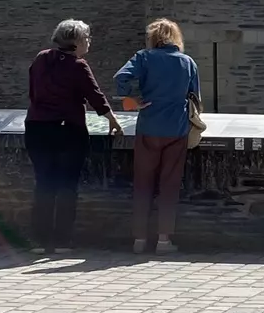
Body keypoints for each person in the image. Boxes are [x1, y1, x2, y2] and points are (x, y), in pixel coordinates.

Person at [25, 19, 123, 251]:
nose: (89, 42)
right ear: (77, 41)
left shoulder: (41, 59)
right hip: (67, 129)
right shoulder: (78, 65)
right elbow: (95, 94)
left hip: (37, 127)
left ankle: (39, 240)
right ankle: (61, 241)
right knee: (67, 185)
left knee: (44, 183)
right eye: (87, 38)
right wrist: (112, 120)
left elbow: (32, 91)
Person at [115, 19, 200, 254]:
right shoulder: (188, 62)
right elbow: (195, 97)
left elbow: (120, 78)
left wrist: (132, 100)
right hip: (177, 129)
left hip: (149, 126)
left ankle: (139, 240)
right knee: (169, 185)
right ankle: (164, 239)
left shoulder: (143, 57)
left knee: (143, 183)